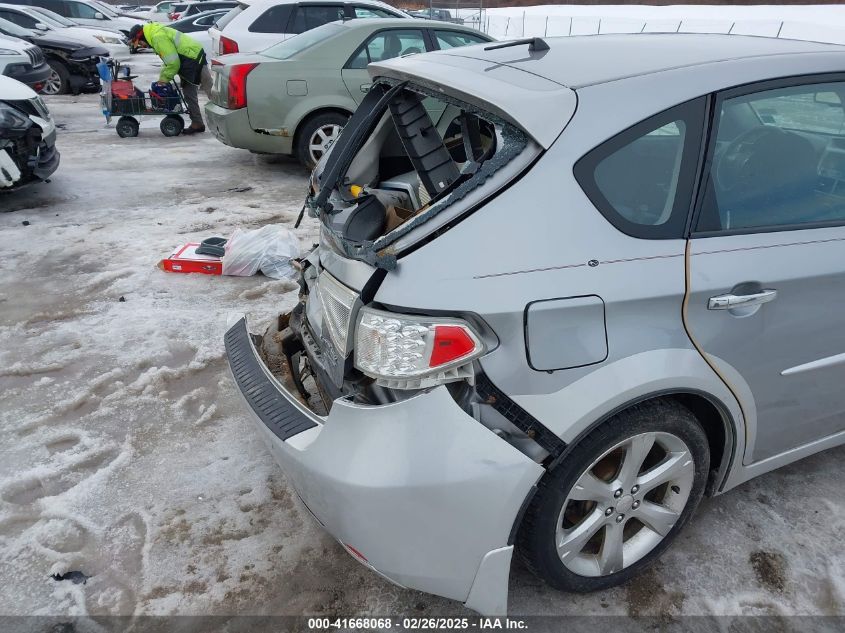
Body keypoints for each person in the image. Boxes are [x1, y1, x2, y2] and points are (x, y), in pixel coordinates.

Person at [129, 23, 211, 135]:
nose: (142, 46)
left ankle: (223, 116)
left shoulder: (157, 37)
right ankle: (197, 123)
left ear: (141, 36)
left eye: (140, 43)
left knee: (209, 90)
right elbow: (169, 61)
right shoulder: (153, 33)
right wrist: (162, 77)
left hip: (192, 58)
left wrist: (163, 79)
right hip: (189, 56)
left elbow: (173, 63)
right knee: (189, 93)